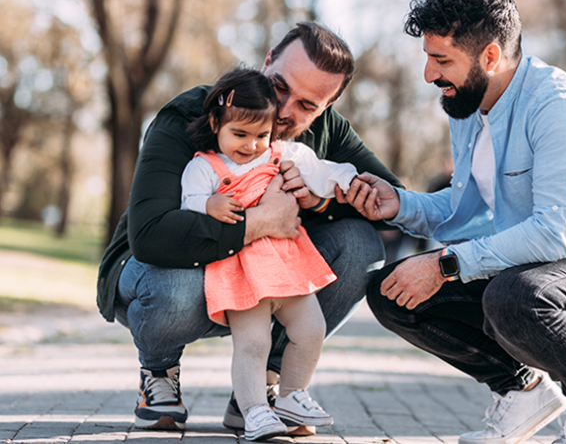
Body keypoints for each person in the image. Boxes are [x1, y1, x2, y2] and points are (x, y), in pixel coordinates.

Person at [338, 0, 566, 444]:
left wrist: (447, 264)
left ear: (490, 56)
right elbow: (463, 211)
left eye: (441, 60)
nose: (429, 75)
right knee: (391, 292)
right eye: (428, 58)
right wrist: (398, 203)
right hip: (534, 274)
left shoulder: (557, 106)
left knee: (512, 296)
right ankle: (523, 392)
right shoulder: (468, 107)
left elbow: (555, 233)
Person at [96, 22, 402, 432]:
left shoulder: (324, 133)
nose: (285, 111)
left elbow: (390, 199)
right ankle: (158, 372)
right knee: (176, 290)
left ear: (327, 107)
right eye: (279, 87)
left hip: (260, 278)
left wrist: (322, 201)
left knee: (362, 248)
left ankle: (261, 389)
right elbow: (152, 236)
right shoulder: (190, 113)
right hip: (153, 270)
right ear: (267, 63)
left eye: (308, 105)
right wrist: (257, 223)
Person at [181, 67, 363, 440]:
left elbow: (321, 170)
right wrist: (208, 204)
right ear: (216, 123)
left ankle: (293, 394)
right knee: (253, 343)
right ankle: (253, 412)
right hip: (241, 267)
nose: (250, 145)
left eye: (260, 135)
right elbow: (188, 206)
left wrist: (345, 178)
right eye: (240, 134)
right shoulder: (206, 166)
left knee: (312, 329)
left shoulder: (282, 153)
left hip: (287, 265)